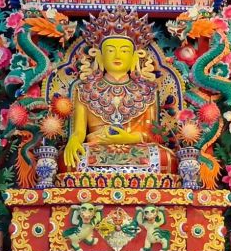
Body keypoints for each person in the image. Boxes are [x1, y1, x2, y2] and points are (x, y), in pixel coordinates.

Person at [62, 26, 175, 172]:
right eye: (110, 50)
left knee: (166, 158)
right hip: (97, 147)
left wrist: (130, 139)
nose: (117, 55)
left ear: (134, 57)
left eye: (124, 51)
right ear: (100, 57)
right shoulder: (85, 90)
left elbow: (152, 134)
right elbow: (79, 131)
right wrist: (74, 140)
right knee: (68, 160)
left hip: (137, 148)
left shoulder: (147, 90)